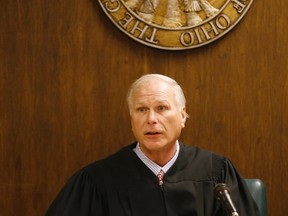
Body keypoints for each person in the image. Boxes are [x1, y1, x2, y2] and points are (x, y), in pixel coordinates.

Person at [46, 74, 260, 216]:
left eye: (161, 108)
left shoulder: (216, 172)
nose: (151, 119)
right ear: (132, 120)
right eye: (141, 110)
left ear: (183, 116)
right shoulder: (97, 180)